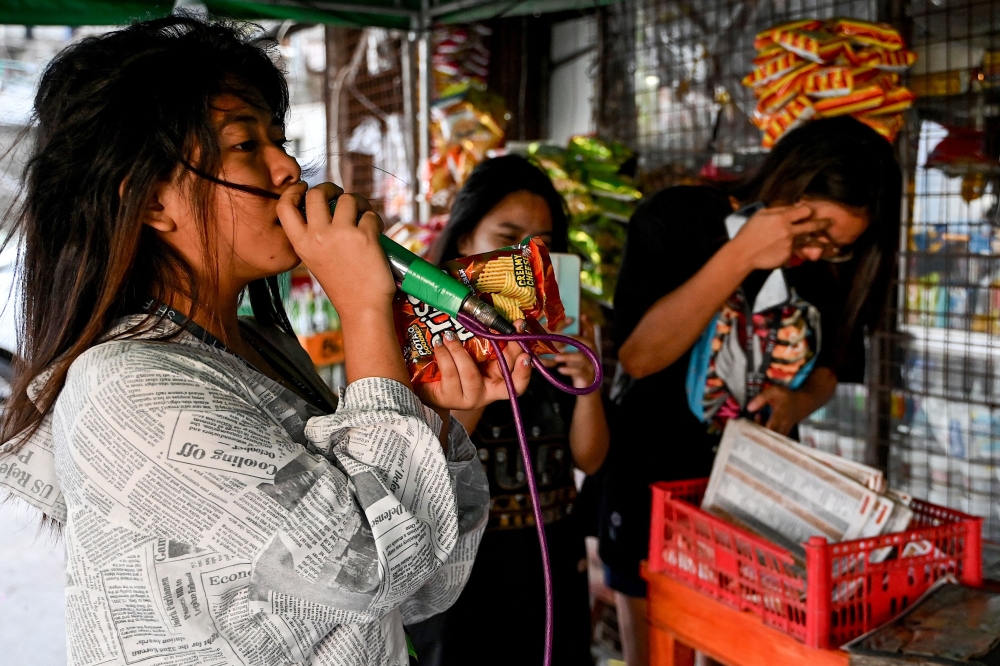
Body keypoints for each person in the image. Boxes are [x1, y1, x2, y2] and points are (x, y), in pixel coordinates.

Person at [0, 17, 534, 666]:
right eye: (245, 145)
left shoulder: (260, 347)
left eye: (279, 140)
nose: (288, 168)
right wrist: (364, 308)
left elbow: (417, 583)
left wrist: (444, 416)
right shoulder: (125, 386)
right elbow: (368, 568)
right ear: (152, 202)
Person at [599, 116, 902, 666]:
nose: (817, 253)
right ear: (792, 180)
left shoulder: (827, 272)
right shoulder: (678, 218)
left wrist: (798, 402)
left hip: (755, 505)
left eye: (837, 246)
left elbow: (829, 371)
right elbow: (640, 357)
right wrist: (742, 254)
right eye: (815, 232)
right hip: (652, 489)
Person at [405, 155, 610, 666]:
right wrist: (481, 371)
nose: (525, 255)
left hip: (550, 565)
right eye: (508, 237)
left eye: (542, 242)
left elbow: (590, 459)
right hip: (466, 575)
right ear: (464, 240)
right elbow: (431, 463)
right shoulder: (426, 338)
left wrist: (588, 385)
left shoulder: (560, 334)